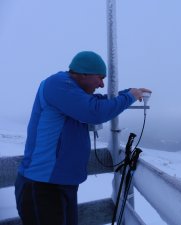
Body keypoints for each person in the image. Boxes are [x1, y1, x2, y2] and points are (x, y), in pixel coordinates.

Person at [14, 51, 151, 225]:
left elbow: (100, 100)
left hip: (62, 183)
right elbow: (94, 111)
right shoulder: (57, 85)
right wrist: (129, 96)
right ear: (84, 73)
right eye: (100, 78)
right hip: (43, 185)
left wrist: (131, 93)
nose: (102, 84)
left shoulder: (72, 90)